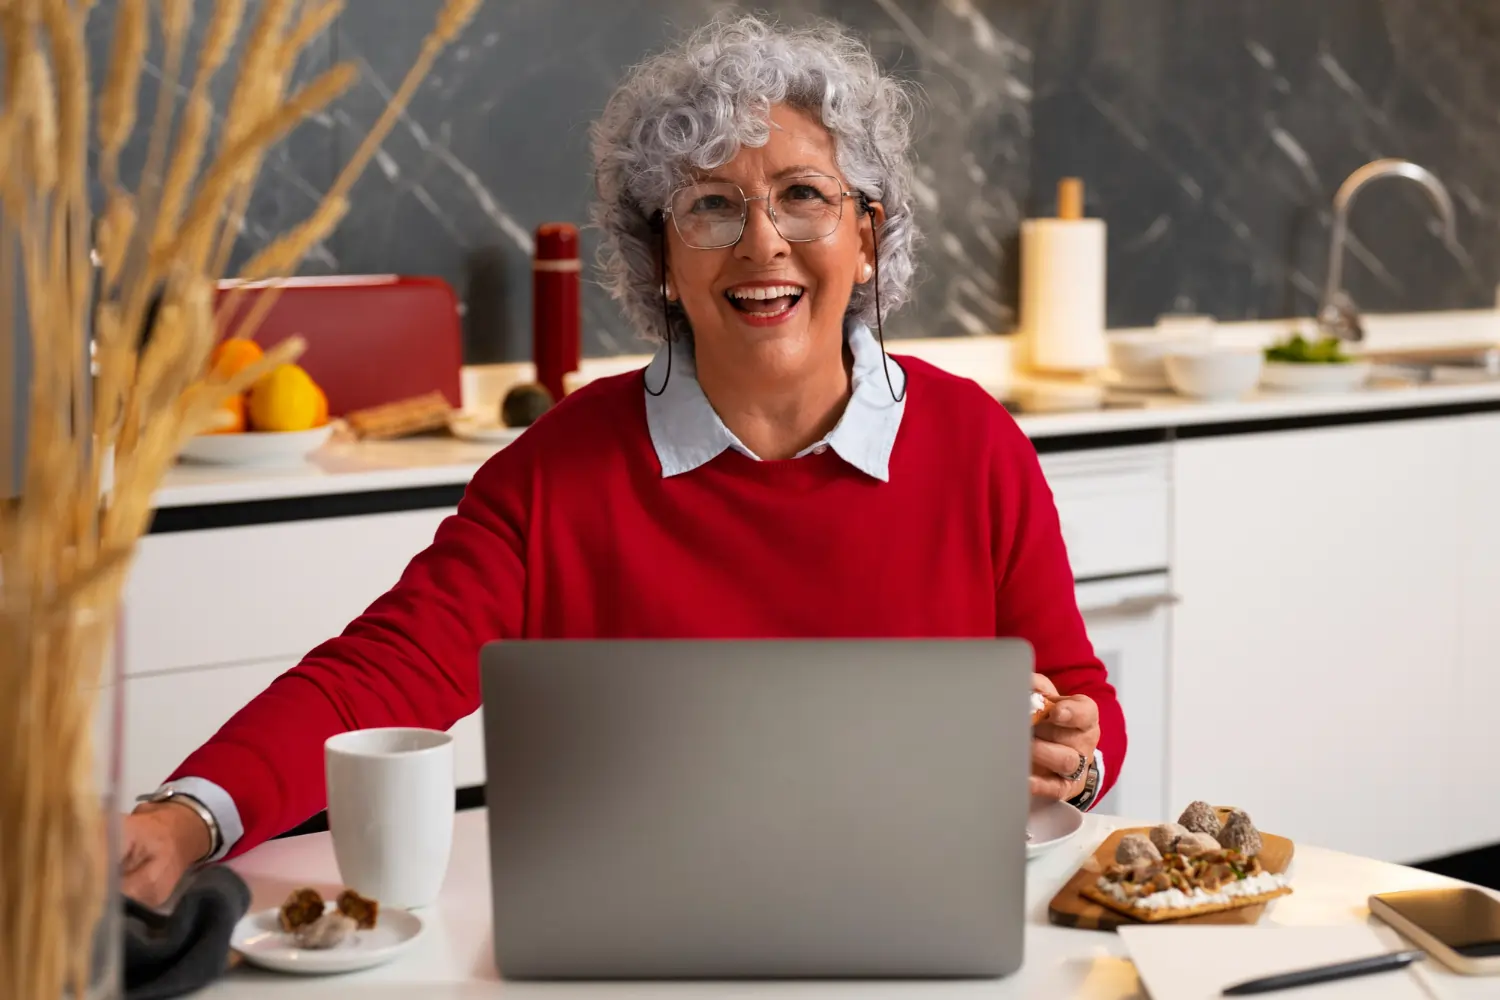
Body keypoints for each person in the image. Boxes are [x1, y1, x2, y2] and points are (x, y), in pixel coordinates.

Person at [121, 15, 1126, 907]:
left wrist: (1072, 760)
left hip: (911, 925)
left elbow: (1076, 694)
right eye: (711, 207)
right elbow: (381, 673)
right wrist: (187, 814)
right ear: (661, 261)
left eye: (804, 195)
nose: (761, 242)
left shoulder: (974, 444)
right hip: (631, 944)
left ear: (866, 237)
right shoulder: (560, 467)